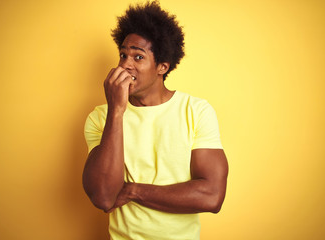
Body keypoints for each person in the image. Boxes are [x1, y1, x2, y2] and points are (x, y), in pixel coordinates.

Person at [82, 1, 228, 239]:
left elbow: (211, 196)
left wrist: (133, 191)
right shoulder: (101, 117)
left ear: (162, 67)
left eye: (138, 57)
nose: (125, 65)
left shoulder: (196, 111)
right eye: (123, 55)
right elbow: (104, 196)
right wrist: (116, 111)